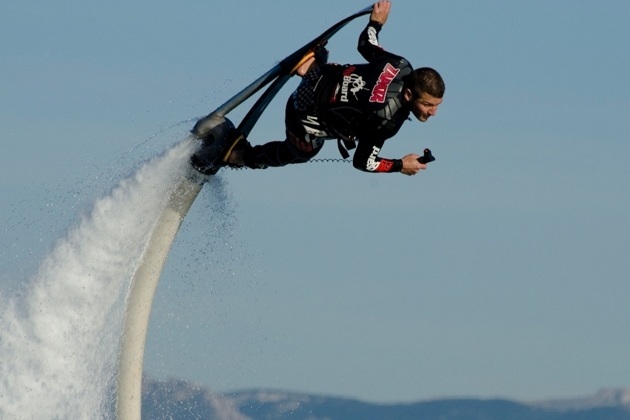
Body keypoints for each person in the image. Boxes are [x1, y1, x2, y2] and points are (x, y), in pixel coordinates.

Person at [228, 0, 445, 176]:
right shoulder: (387, 121)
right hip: (301, 113)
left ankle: (309, 64)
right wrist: (400, 165)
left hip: (318, 76)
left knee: (341, 79)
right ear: (409, 95)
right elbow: (363, 162)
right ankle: (238, 156)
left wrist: (376, 24)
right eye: (427, 105)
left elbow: (365, 44)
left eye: (436, 106)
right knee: (301, 153)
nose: (432, 112)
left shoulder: (400, 65)